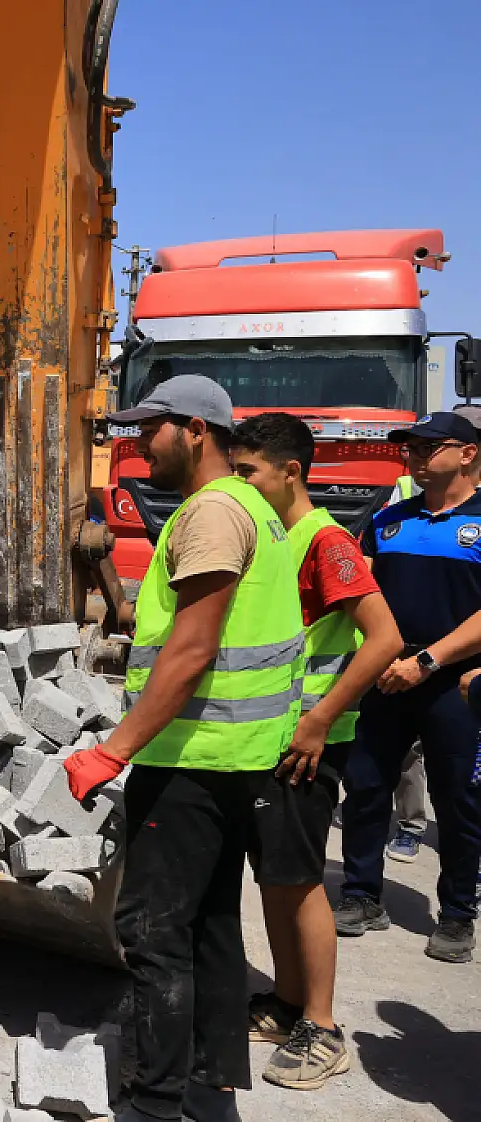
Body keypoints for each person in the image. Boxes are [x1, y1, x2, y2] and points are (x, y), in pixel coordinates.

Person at [62, 376, 302, 1122]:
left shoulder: (212, 512)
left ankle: (153, 1100)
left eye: (150, 430)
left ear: (196, 430)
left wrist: (113, 751)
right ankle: (209, 1086)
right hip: (232, 757)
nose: (136, 444)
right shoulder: (245, 509)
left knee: (153, 935)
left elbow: (193, 650)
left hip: (190, 761)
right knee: (209, 929)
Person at [229, 413, 401, 1091]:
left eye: (248, 473)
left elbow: (384, 637)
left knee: (299, 883)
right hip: (273, 738)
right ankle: (286, 1000)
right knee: (276, 877)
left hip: (307, 743)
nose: (239, 484)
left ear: (290, 471)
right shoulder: (277, 535)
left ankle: (322, 1030)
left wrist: (320, 720)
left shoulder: (323, 540)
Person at [338, 410, 481, 963]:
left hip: (458, 686)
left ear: (467, 454)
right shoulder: (389, 518)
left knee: (459, 799)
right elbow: (360, 586)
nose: (414, 457)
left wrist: (427, 660)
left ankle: (457, 914)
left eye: (427, 447)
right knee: (367, 786)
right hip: (384, 679)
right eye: (409, 449)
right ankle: (360, 895)